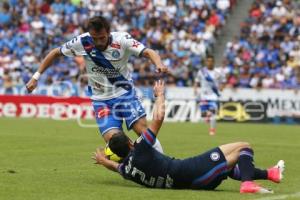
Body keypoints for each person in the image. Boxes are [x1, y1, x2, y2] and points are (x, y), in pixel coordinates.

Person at [93, 80, 285, 194]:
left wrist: (103, 161)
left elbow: (115, 167)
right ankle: (247, 184)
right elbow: (158, 118)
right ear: (129, 142)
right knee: (244, 147)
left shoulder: (127, 169)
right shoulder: (141, 148)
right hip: (189, 171)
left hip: (191, 182)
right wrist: (159, 95)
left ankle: (271, 174)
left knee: (228, 166)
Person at [26, 16, 167, 152]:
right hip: (101, 100)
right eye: (95, 38)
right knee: (115, 143)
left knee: (142, 130)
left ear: (108, 32)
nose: (98, 42)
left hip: (124, 93)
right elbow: (55, 53)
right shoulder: (82, 42)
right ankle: (135, 166)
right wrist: (35, 77)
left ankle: (162, 166)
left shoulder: (122, 40)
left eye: (102, 38)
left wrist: (159, 63)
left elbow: (148, 52)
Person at [194, 55, 223, 136]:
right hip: (203, 96)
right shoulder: (202, 72)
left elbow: (223, 81)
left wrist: (221, 88)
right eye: (208, 61)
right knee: (203, 114)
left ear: (213, 62)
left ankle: (212, 130)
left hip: (213, 96)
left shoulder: (218, 72)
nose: (209, 63)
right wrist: (195, 89)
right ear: (206, 62)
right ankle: (208, 115)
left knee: (213, 114)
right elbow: (196, 81)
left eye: (211, 61)